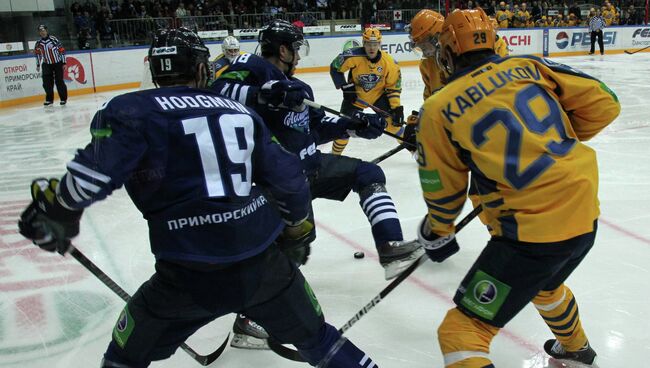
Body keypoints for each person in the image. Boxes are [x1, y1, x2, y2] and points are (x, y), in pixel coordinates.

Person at [18, 27, 378, 368]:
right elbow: (289, 180)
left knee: (123, 358)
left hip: (186, 275)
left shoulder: (131, 110)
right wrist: (297, 230)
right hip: (263, 266)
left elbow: (92, 174)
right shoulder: (240, 112)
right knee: (321, 340)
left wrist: (57, 209)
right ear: (203, 67)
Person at [416, 8, 620, 367]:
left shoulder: (439, 106)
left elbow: (445, 194)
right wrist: (544, 147)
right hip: (584, 213)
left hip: (532, 234)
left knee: (462, 334)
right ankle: (577, 351)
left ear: (447, 53)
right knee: (544, 285)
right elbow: (606, 104)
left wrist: (438, 231)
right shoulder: (531, 66)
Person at [212, 19, 423, 347]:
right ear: (282, 49)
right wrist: (264, 94)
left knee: (367, 174)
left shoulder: (298, 89)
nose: (298, 56)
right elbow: (216, 92)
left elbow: (315, 125)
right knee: (293, 249)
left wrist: (352, 126)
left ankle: (390, 246)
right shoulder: (250, 67)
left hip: (308, 167)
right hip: (272, 181)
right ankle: (249, 320)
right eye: (295, 49)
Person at [329, 28, 404, 155]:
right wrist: (345, 86)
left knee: (394, 124)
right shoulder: (352, 55)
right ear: (363, 43)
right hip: (355, 97)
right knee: (343, 126)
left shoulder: (390, 63)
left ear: (380, 44)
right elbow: (335, 67)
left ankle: (414, 149)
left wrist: (396, 108)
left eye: (375, 44)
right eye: (368, 44)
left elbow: (393, 87)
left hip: (377, 96)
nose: (372, 48)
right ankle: (335, 155)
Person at [34, 24, 67, 106]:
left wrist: (64, 63)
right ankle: (49, 100)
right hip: (46, 64)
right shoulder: (38, 43)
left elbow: (62, 50)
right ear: (39, 33)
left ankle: (63, 99)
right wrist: (38, 65)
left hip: (57, 63)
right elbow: (38, 55)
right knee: (46, 83)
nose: (42, 32)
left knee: (59, 81)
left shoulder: (53, 39)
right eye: (41, 31)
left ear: (46, 31)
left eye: (44, 31)